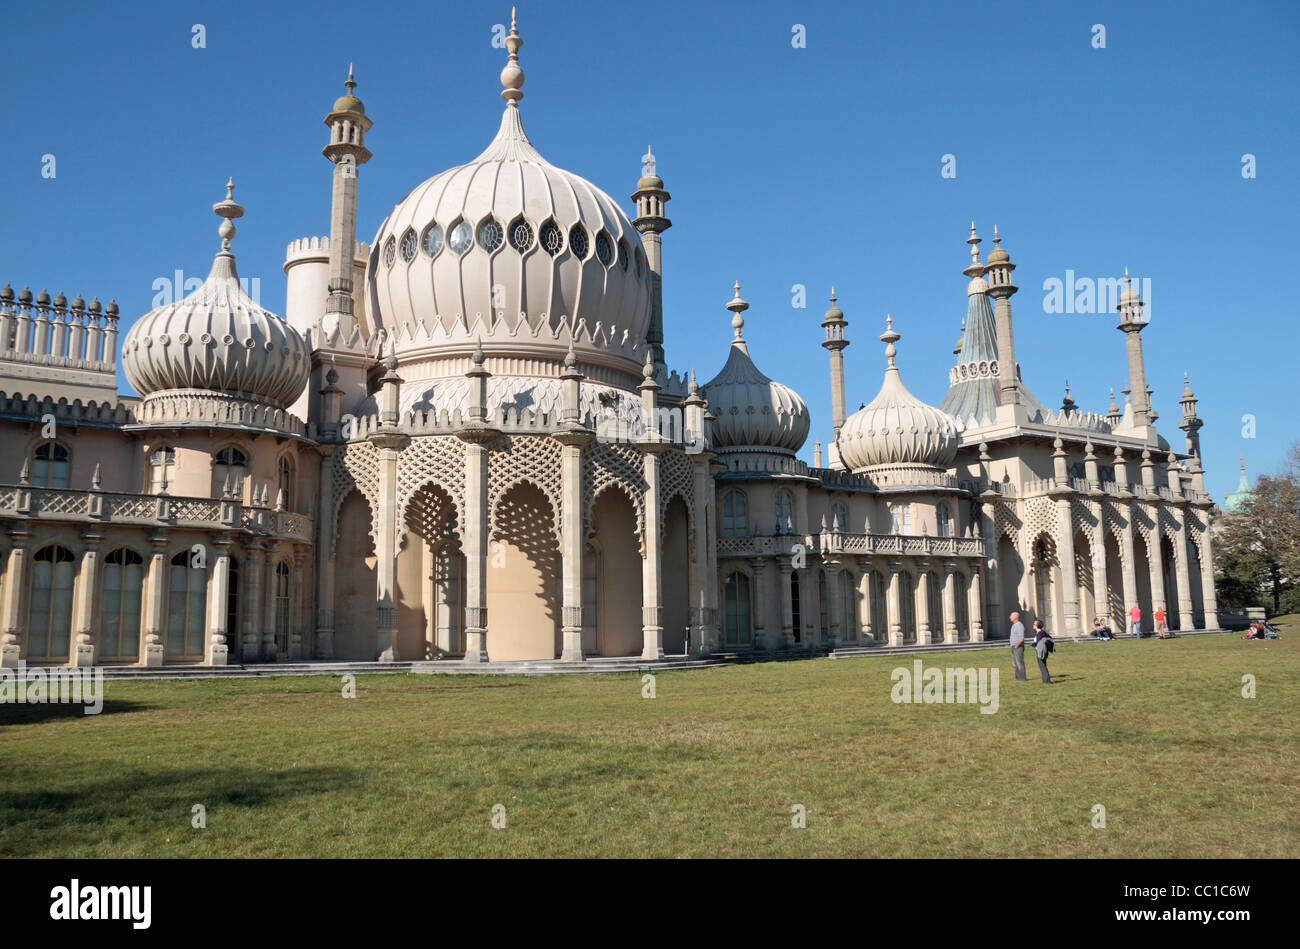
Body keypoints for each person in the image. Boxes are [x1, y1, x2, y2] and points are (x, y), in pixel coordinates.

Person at [1032, 619, 1054, 684]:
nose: (1033, 625)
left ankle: (1047, 681)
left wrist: (1033, 644)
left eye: (1034, 624)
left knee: (1042, 666)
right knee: (1043, 666)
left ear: (1037, 625)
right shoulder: (1041, 632)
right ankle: (1045, 680)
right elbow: (1049, 637)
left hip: (1041, 651)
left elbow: (1037, 642)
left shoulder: (1040, 633)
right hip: (1042, 651)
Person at [1009, 611, 1027, 681]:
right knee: (1015, 663)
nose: (1010, 617)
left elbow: (1021, 638)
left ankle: (1022, 678)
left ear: (1015, 617)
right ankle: (1018, 677)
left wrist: (1017, 646)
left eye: (1011, 616)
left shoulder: (1019, 625)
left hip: (1018, 647)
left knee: (1019, 663)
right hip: (1013, 646)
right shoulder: (1014, 625)